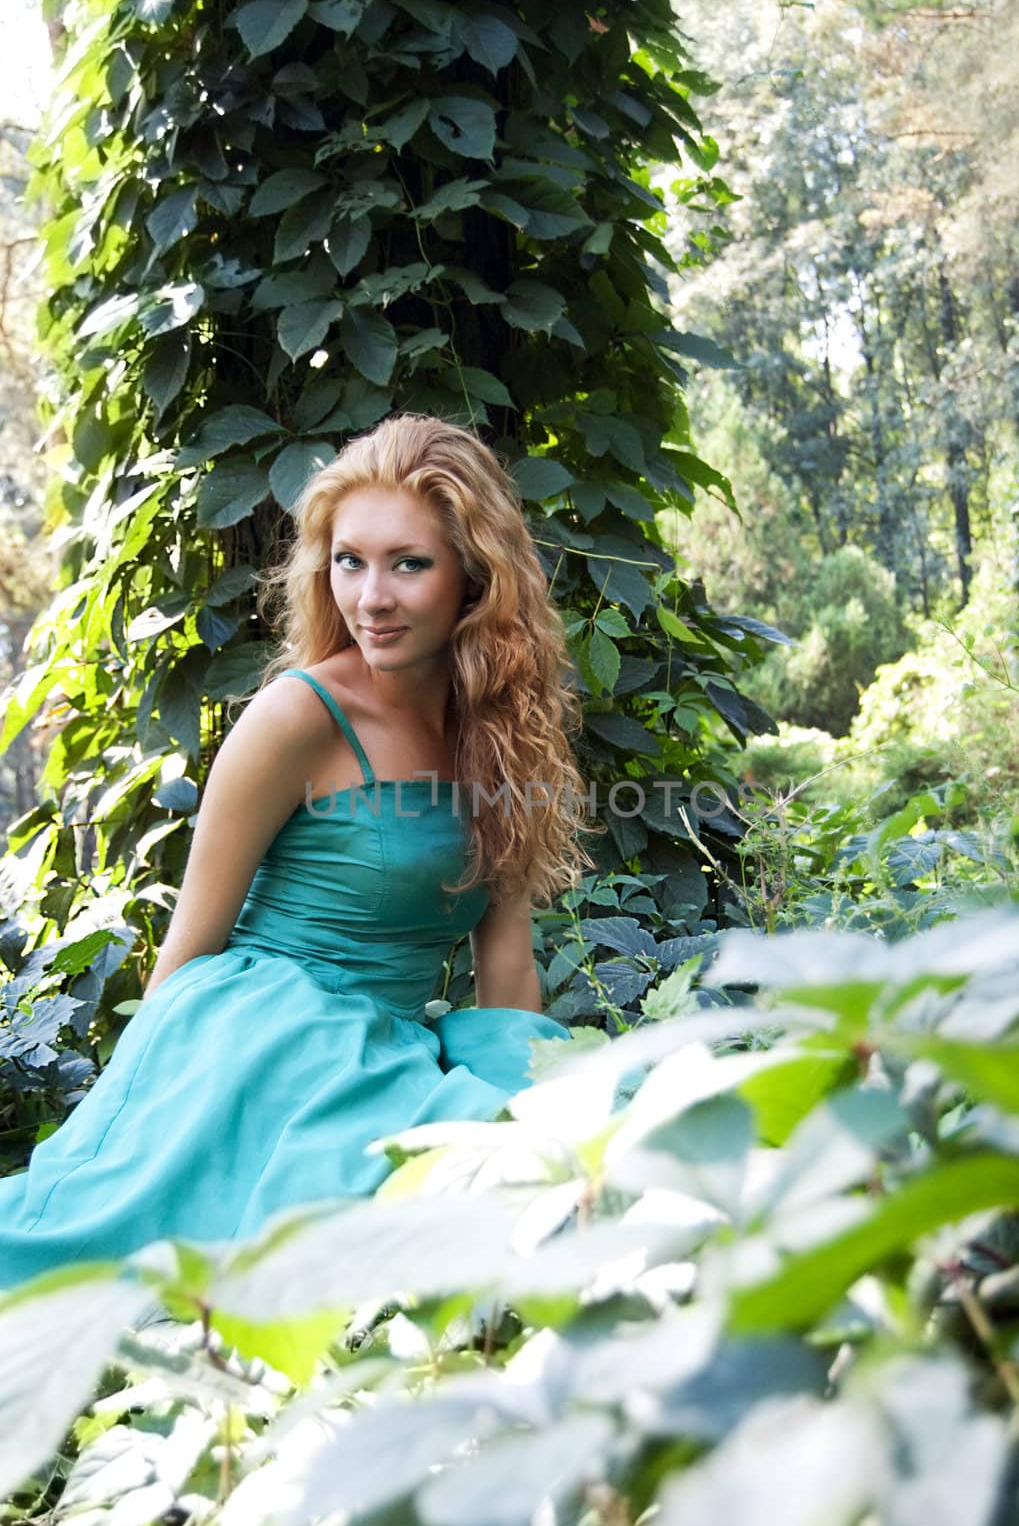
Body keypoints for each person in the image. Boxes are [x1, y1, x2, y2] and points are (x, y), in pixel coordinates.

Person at [0, 413, 600, 1293]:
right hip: (265, 1044)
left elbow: (504, 966)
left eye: (409, 564)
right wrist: (129, 1130)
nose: (371, 597)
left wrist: (539, 1095)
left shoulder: (505, 733)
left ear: (475, 576)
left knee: (581, 1157)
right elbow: (191, 948)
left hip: (387, 1048)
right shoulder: (297, 717)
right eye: (350, 561)